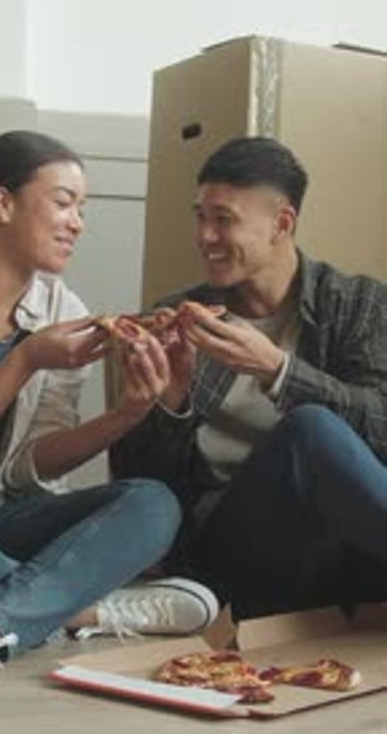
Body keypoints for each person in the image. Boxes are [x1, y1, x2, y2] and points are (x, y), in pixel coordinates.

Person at [0, 130, 219, 684]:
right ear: (2, 203)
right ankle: (85, 609)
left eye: (82, 209)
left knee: (153, 503)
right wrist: (27, 360)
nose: (77, 223)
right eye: (63, 202)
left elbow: (27, 470)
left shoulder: (64, 308)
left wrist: (127, 415)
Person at [110, 135, 387, 620]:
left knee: (315, 426)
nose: (205, 236)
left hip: (348, 551)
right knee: (308, 429)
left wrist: (278, 371)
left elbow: (380, 428)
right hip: (238, 555)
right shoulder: (177, 321)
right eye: (201, 216)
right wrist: (169, 403)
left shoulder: (359, 305)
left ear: (282, 224)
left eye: (224, 220)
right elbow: (143, 493)